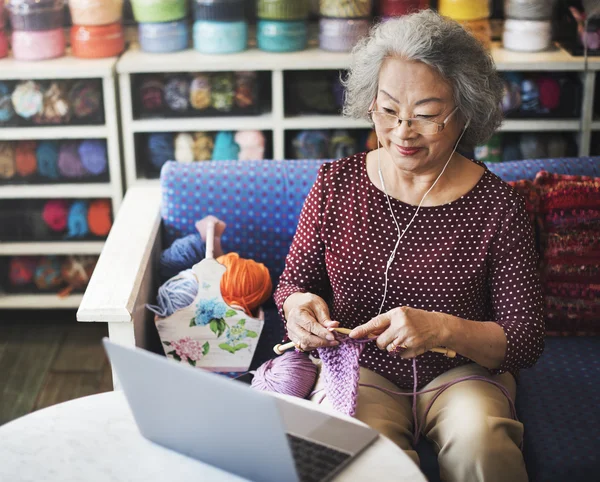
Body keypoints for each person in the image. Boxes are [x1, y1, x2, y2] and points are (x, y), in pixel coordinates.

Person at [273, 10, 544, 482]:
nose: (402, 131)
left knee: (482, 444)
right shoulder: (335, 185)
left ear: (465, 111)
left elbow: (524, 338)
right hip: (361, 370)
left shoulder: (500, 208)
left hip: (461, 374)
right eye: (388, 110)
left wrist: (441, 329)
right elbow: (294, 284)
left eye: (426, 115)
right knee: (352, 456)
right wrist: (299, 308)